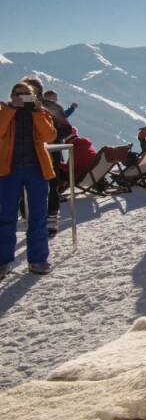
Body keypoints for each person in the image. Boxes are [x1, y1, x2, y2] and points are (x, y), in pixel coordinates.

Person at [0, 82, 58, 278]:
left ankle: (38, 260)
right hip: (8, 171)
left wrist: (38, 112)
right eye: (19, 94)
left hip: (37, 169)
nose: (23, 96)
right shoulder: (4, 110)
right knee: (6, 216)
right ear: (12, 95)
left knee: (38, 216)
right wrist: (10, 110)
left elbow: (49, 136)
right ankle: (3, 261)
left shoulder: (40, 112)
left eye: (27, 94)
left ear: (34, 96)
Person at [24, 78, 68, 238]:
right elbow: (66, 130)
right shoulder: (53, 107)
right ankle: (49, 221)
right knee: (50, 187)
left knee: (46, 187)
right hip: (47, 155)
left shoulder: (49, 108)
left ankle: (44, 220)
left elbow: (63, 130)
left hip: (40, 155)